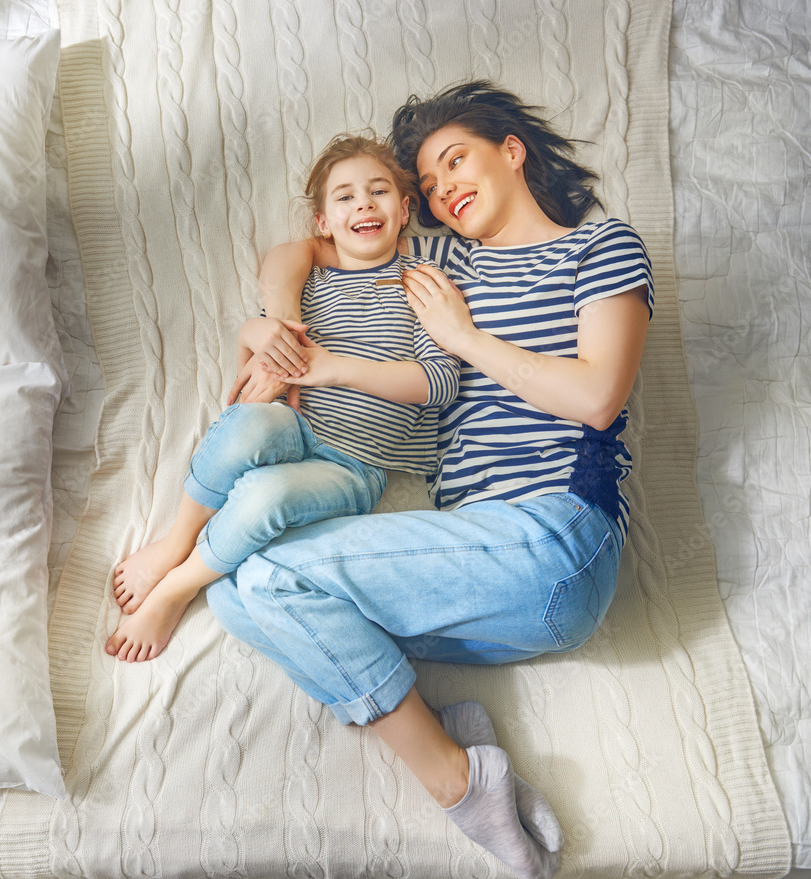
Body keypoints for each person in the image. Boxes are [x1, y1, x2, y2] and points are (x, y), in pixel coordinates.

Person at [210, 81, 654, 879]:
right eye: (432, 181)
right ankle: (462, 740)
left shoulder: (598, 247)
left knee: (271, 571)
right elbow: (298, 249)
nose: (446, 187)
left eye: (459, 160)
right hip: (483, 581)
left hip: (557, 536)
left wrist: (463, 337)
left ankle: (455, 780)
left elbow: (596, 396)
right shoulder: (437, 258)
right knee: (237, 593)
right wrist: (275, 322)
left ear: (511, 152)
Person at [105, 135, 459, 663]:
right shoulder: (310, 280)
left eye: (378, 191)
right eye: (344, 197)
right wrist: (257, 329)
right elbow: (265, 321)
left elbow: (440, 382)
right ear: (323, 224)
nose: (363, 203)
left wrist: (334, 370)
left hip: (357, 465)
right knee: (249, 425)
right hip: (294, 425)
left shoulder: (421, 284)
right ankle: (178, 539)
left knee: (264, 498)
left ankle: (178, 588)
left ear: (405, 210)